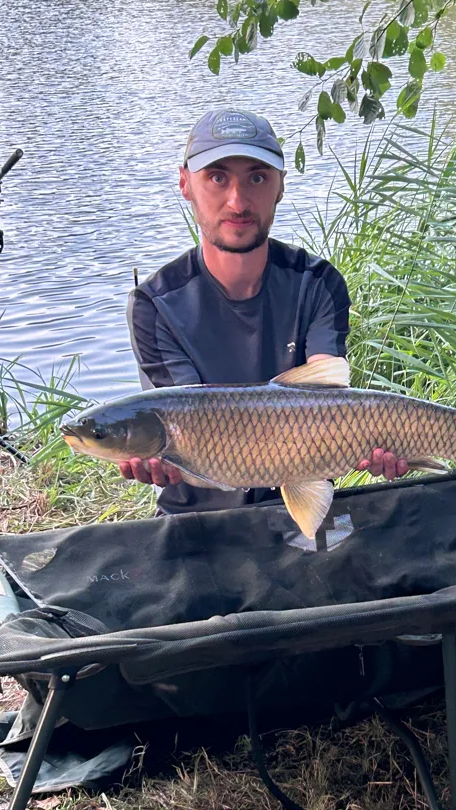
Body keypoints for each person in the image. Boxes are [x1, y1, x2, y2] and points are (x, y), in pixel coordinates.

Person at [122, 107, 407, 515]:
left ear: (280, 186)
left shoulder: (319, 283)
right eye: (217, 178)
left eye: (257, 178)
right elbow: (191, 426)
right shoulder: (154, 304)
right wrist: (156, 459)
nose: (238, 201)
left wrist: (378, 440)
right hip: (197, 515)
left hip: (302, 494)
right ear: (185, 183)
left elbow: (329, 391)